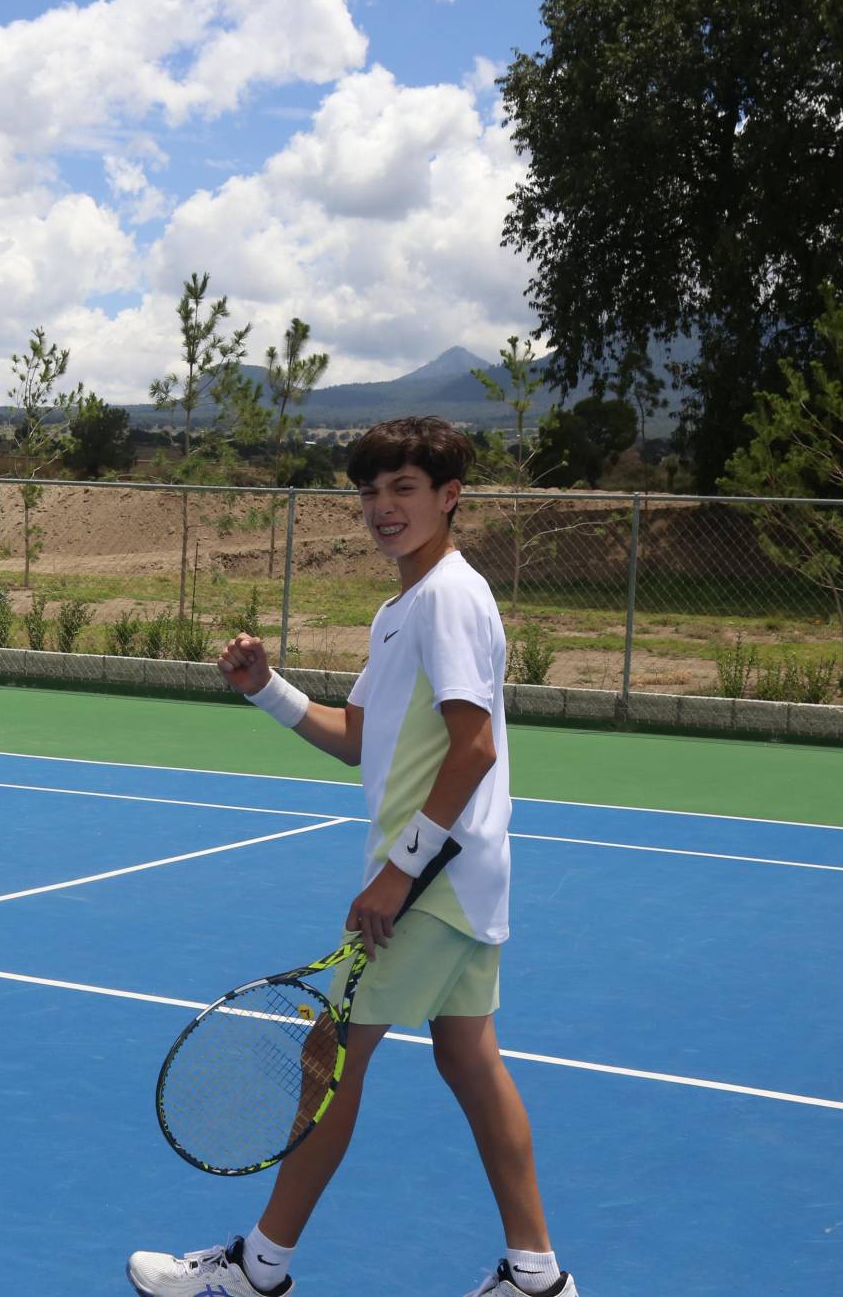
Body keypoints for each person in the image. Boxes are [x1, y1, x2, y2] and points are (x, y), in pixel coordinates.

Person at [128, 417, 576, 1297]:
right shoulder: (403, 608)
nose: (382, 507)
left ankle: (258, 1269)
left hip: (432, 880)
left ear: (449, 496)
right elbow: (358, 738)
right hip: (459, 875)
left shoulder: (449, 597)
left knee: (327, 1055)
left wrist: (399, 871)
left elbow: (474, 748)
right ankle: (535, 1276)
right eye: (370, 491)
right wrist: (267, 690)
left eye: (403, 488)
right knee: (468, 1059)